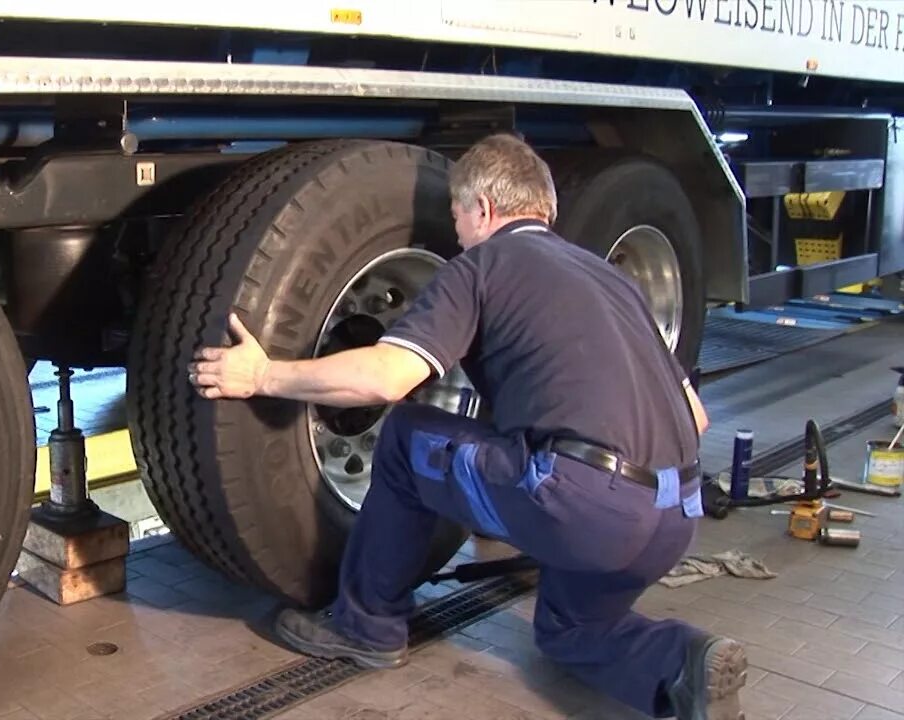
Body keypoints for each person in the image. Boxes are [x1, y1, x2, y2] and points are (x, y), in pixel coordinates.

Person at [186, 133, 747, 720]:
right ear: (545, 209)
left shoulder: (482, 267)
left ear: (482, 209)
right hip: (675, 515)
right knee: (568, 629)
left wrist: (263, 375)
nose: (453, 229)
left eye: (455, 213)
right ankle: (686, 663)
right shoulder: (614, 281)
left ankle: (368, 626)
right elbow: (696, 417)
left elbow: (385, 378)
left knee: (405, 436)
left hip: (588, 512)